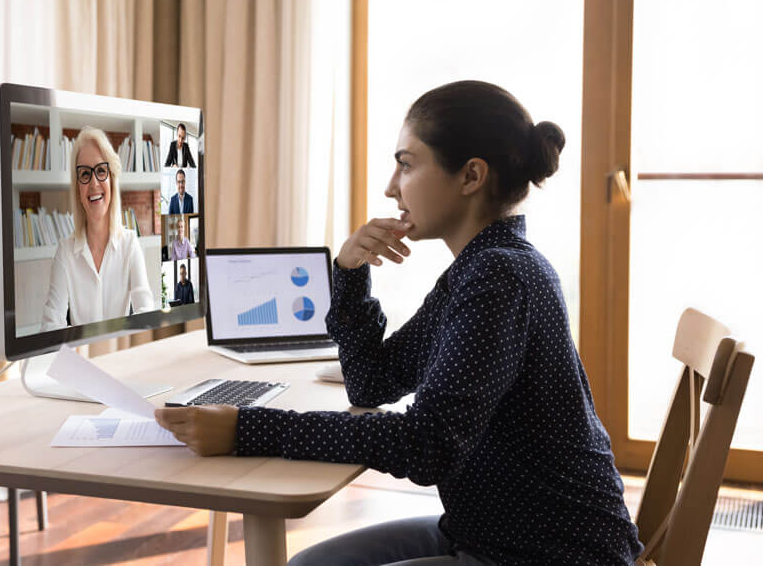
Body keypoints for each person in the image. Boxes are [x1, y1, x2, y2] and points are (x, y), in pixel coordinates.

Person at [154, 81, 644, 565]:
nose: (391, 187)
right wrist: (348, 272)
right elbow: (372, 383)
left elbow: (424, 445)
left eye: (406, 165)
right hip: (487, 531)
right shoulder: (479, 269)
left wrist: (247, 429)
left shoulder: (500, 277)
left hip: (549, 553)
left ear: (471, 176)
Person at [41, 127, 155, 329]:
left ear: (111, 179)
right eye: (85, 173)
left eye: (101, 171)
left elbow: (146, 315)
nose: (94, 183)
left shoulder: (130, 244)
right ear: (78, 188)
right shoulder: (65, 253)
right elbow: (51, 325)